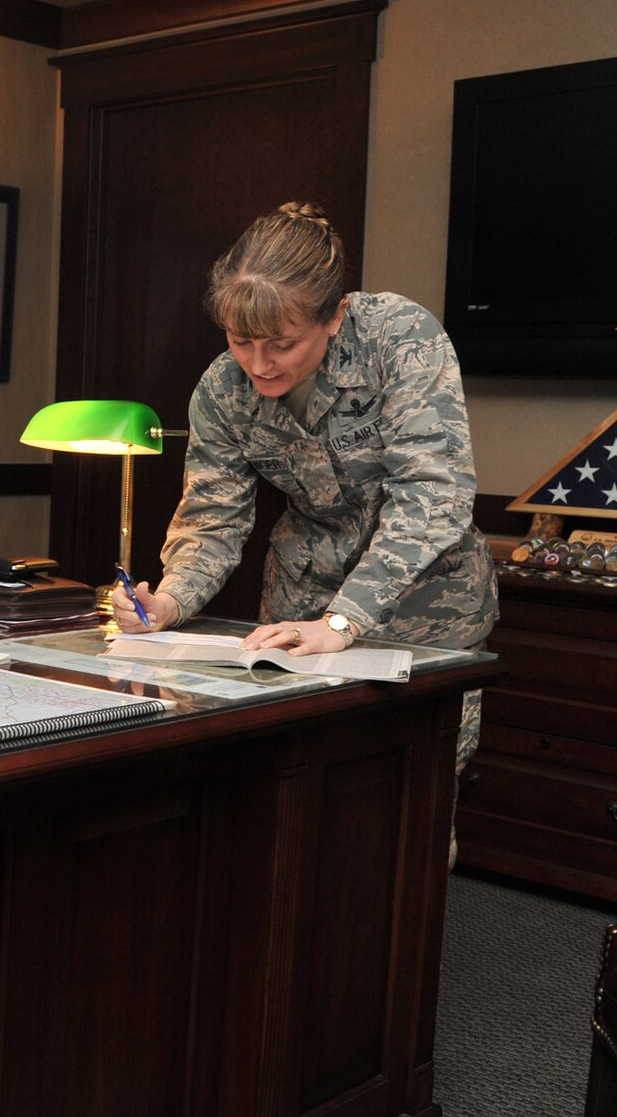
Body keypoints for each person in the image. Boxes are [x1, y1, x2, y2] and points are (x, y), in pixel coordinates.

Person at [113, 204, 497, 836]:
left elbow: (433, 497)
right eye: (241, 341)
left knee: (405, 818)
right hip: (297, 611)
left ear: (336, 314)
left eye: (282, 344)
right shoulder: (221, 390)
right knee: (293, 805)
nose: (260, 364)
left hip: (425, 614)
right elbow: (214, 514)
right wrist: (172, 600)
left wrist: (345, 621)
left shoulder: (399, 339)